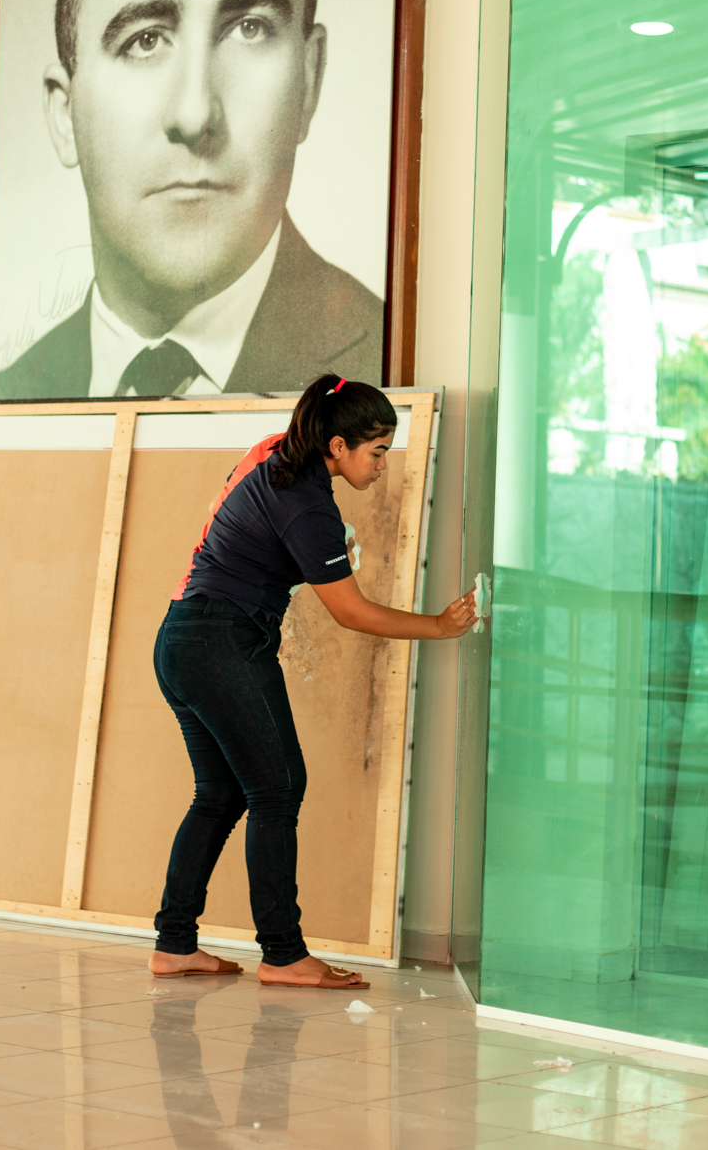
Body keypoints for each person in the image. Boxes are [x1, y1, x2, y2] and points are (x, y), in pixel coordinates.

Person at [0, 0, 383, 401]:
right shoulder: (3, 400)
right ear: (65, 115)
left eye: (249, 28)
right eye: (144, 40)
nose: (196, 114)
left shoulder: (389, 368)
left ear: (310, 77)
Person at [148, 374, 476, 988]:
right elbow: (350, 612)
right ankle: (283, 954)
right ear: (336, 446)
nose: (383, 465)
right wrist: (438, 625)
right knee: (278, 787)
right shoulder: (306, 501)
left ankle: (175, 944)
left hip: (181, 638)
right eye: (376, 451)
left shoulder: (275, 451)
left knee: (220, 795)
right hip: (221, 640)